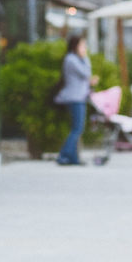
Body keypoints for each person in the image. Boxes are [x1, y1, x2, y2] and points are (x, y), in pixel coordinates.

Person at [53, 35, 95, 165]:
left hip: (79, 97)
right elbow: (86, 73)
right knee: (77, 129)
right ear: (75, 46)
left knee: (77, 128)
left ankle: (73, 158)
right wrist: (86, 57)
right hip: (74, 97)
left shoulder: (74, 59)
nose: (84, 48)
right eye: (82, 45)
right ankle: (63, 155)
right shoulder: (71, 59)